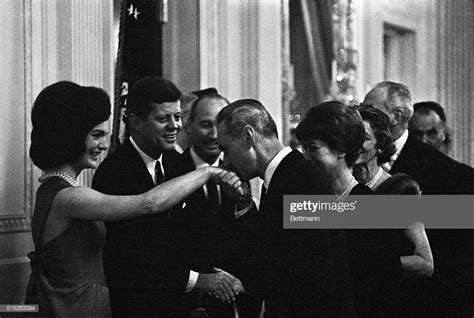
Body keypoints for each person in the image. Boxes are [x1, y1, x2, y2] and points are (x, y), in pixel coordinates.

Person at [25, 81, 244, 317]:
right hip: (75, 307)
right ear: (71, 137)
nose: (105, 144)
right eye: (96, 135)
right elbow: (149, 204)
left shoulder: (54, 188)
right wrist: (208, 171)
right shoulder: (69, 197)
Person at [91, 77, 243, 317]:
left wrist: (214, 274)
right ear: (135, 122)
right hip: (137, 307)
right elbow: (129, 256)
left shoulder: (176, 164)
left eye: (177, 117)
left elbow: (189, 236)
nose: (174, 126)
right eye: (163, 119)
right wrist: (196, 280)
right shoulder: (114, 172)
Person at [216, 99, 355, 316]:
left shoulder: (299, 181)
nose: (224, 161)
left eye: (225, 149)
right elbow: (276, 250)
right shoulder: (284, 177)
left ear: (248, 136)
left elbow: (315, 276)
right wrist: (244, 205)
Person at [363, 81, 474, 315]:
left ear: (397, 115)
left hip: (429, 302)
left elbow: (459, 252)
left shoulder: (452, 174)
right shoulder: (355, 164)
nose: (364, 115)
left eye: (370, 108)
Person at [296, 101, 402, 316]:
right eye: (304, 148)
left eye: (314, 148)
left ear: (341, 149)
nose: (306, 157)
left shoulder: (367, 207)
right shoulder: (311, 202)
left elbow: (382, 289)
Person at [180, 88, 261, 317]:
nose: (214, 135)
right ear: (189, 126)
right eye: (206, 125)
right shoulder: (171, 171)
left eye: (220, 127)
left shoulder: (241, 171)